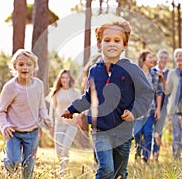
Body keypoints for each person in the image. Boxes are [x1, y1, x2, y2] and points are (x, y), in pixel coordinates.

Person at [61, 20, 154, 178]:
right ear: (99, 44)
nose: (112, 44)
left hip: (124, 131)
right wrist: (72, 109)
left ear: (124, 45)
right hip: (100, 130)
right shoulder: (94, 71)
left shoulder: (131, 69)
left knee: (120, 173)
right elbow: (89, 97)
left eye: (117, 41)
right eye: (107, 40)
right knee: (106, 169)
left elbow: (146, 93)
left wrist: (134, 112)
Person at [0, 49, 53, 178]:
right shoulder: (10, 87)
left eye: (29, 64)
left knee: (28, 167)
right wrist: (5, 126)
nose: (25, 67)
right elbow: (0, 112)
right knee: (14, 162)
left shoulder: (38, 85)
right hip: (13, 132)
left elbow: (41, 107)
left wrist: (46, 118)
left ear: (34, 66)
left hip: (32, 132)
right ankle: (8, 163)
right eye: (21, 64)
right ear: (15, 66)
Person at [49, 69, 81, 173]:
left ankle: (63, 172)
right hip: (59, 124)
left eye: (66, 77)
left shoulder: (75, 92)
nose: (64, 79)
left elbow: (80, 108)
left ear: (70, 79)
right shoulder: (56, 92)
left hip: (71, 125)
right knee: (58, 150)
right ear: (60, 79)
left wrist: (78, 118)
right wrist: (51, 125)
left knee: (65, 148)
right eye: (62, 77)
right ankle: (61, 167)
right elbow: (52, 110)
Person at [133, 50, 162, 163]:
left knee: (148, 133)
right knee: (137, 133)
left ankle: (145, 159)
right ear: (143, 59)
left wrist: (158, 109)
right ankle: (138, 154)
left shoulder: (155, 75)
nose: (152, 60)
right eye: (149, 57)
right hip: (137, 111)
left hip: (150, 110)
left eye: (152, 58)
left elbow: (159, 93)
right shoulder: (136, 74)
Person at [151, 49, 170, 161]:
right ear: (157, 59)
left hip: (162, 107)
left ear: (167, 60)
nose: (163, 60)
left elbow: (168, 91)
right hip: (149, 106)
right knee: (148, 131)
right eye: (161, 57)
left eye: (165, 58)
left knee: (158, 131)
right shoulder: (151, 71)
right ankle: (145, 155)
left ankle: (155, 155)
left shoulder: (169, 73)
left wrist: (163, 79)